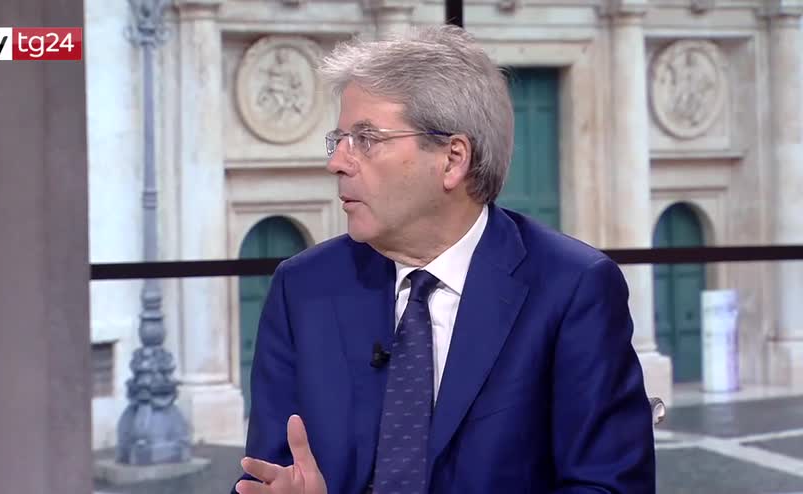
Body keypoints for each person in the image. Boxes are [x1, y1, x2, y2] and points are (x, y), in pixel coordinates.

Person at [234, 24, 655, 494]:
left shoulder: (572, 289)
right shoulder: (303, 288)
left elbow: (608, 486)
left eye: (366, 139)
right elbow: (266, 472)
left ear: (453, 159)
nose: (337, 162)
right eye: (340, 139)